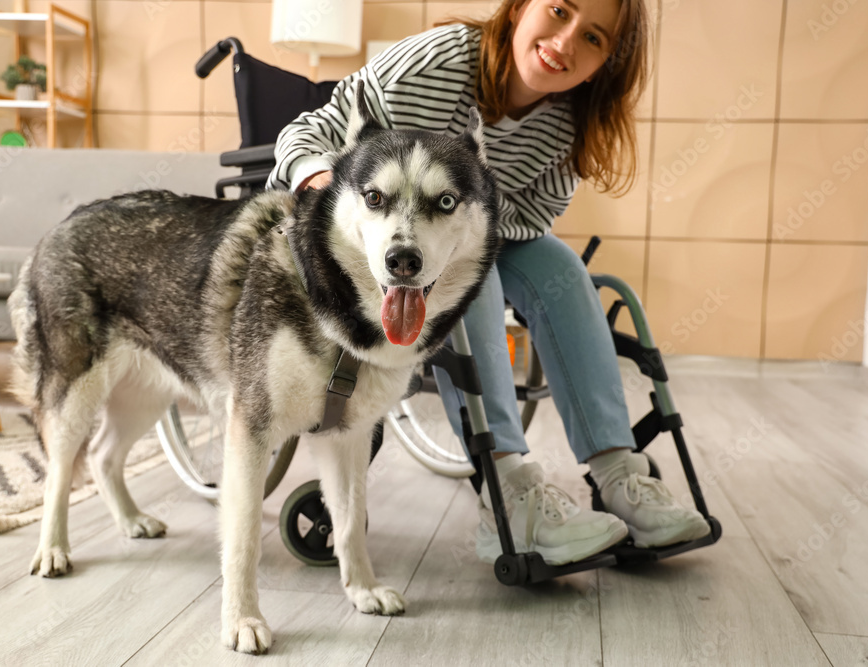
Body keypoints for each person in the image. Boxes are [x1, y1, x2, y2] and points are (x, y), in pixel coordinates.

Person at [267, 0, 710, 566]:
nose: (567, 40)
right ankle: (508, 489)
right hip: (372, 235)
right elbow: (311, 130)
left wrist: (462, 236)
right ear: (521, 7)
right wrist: (331, 187)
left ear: (606, 62)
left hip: (465, 230)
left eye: (594, 37)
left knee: (560, 268)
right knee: (466, 279)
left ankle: (618, 472)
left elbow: (533, 217)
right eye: (558, 10)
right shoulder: (433, 67)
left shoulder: (571, 122)